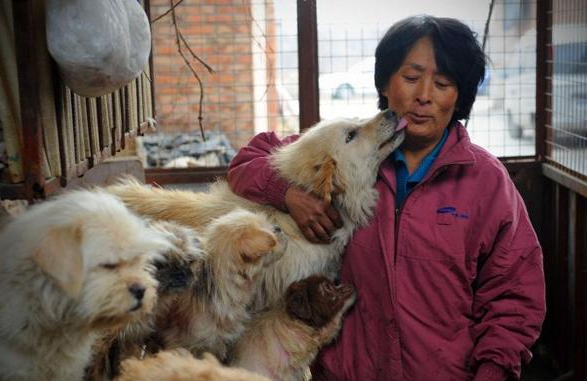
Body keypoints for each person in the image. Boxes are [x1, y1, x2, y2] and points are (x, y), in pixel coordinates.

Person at [227, 15, 546, 381]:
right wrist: (287, 194)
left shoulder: (485, 183)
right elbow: (248, 160)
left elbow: (515, 297)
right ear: (384, 82)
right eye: (410, 78)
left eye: (442, 84)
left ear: (460, 98)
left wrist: (493, 372)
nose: (423, 95)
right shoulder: (351, 153)